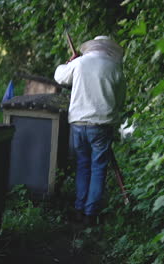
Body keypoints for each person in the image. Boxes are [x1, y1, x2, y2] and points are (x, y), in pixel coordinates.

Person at [54, 36, 127, 225]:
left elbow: (59, 76)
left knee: (82, 166)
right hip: (102, 125)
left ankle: (79, 208)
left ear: (93, 47)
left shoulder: (80, 62)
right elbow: (119, 101)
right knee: (98, 169)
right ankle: (90, 213)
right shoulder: (115, 67)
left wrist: (68, 62)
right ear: (109, 49)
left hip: (78, 123)